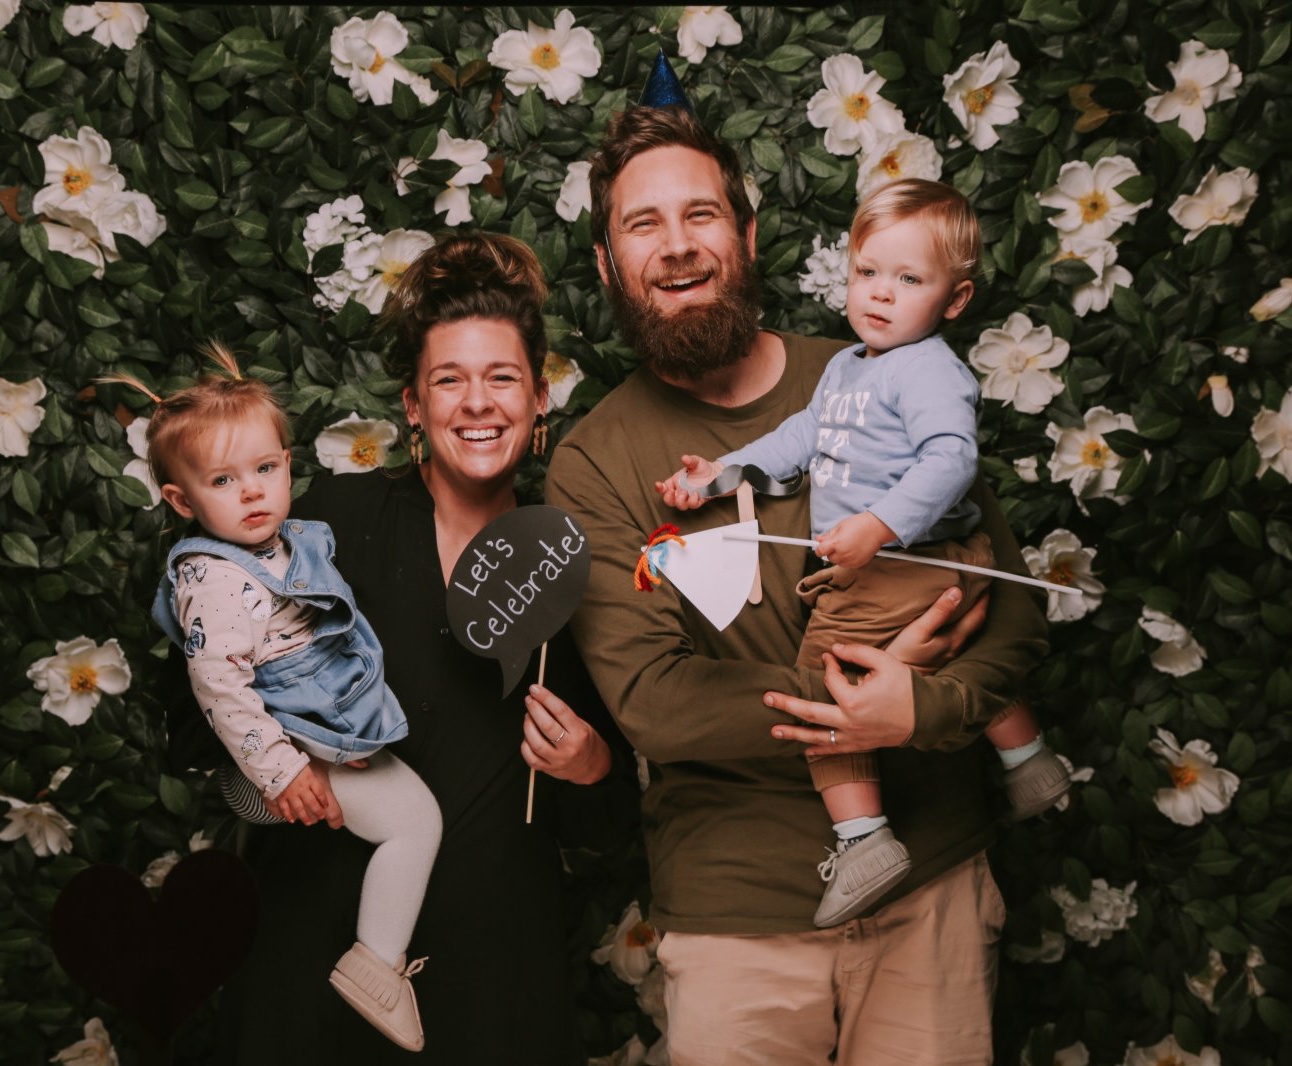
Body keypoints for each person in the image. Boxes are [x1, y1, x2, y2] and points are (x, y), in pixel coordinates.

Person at [544, 104, 1050, 1064]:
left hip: (930, 891)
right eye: (643, 224)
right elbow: (656, 703)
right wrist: (859, 700)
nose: (677, 245)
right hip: (736, 925)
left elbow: (1010, 608)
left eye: (701, 214)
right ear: (608, 266)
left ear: (748, 234)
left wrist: (922, 707)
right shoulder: (593, 462)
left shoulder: (881, 372)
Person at [206, 233, 633, 1065]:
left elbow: (608, 825)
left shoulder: (567, 565)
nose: (478, 404)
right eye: (449, 380)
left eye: (501, 378)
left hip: (495, 983)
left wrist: (591, 766)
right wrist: (277, 759)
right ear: (412, 405)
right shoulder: (333, 525)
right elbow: (207, 702)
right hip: (319, 963)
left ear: (540, 398)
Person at [656, 178, 1069, 928]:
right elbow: (797, 440)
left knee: (826, 692)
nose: (880, 293)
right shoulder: (847, 367)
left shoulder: (928, 369)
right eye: (868, 271)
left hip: (902, 563)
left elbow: (951, 460)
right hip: (917, 564)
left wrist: (878, 525)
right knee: (946, 654)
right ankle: (1028, 760)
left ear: (954, 300)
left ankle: (864, 838)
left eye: (909, 280)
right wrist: (722, 472)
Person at [128, 342, 439, 1051]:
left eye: (265, 469)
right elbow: (220, 687)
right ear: (181, 500)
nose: (252, 491)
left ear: (288, 464)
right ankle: (377, 965)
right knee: (416, 823)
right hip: (293, 745)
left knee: (412, 818)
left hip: (321, 725)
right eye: (223, 479)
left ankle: (374, 959)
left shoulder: (287, 543)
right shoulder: (214, 577)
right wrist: (282, 771)